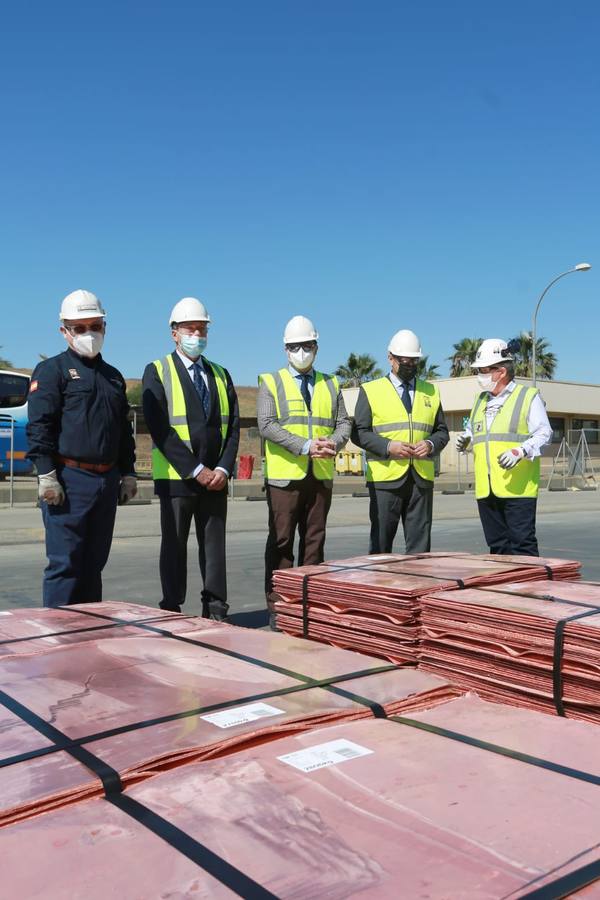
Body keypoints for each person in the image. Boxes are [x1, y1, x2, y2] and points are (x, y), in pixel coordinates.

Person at [26, 289, 137, 608]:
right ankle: (59, 642)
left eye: (95, 325)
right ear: (64, 331)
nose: (89, 333)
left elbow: (122, 434)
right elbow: (40, 426)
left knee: (93, 567)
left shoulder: (113, 378)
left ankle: (88, 639)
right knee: (65, 567)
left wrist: (128, 473)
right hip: (69, 482)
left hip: (105, 483)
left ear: (105, 326)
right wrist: (46, 474)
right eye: (80, 327)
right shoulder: (52, 372)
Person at [142, 297, 239, 619]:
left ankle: (215, 610)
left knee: (214, 550)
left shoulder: (221, 374)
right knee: (174, 547)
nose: (196, 334)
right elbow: (160, 430)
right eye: (190, 328)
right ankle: (171, 609)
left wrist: (223, 468)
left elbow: (233, 427)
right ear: (174, 333)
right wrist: (196, 469)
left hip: (215, 479)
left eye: (202, 328)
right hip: (177, 479)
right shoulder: (157, 371)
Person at [258, 315, 351, 628]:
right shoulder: (270, 382)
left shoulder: (332, 383)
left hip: (321, 473)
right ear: (285, 349)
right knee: (281, 543)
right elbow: (267, 425)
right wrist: (305, 445)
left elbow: (343, 423)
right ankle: (280, 606)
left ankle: (310, 605)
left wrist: (334, 443)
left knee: (314, 543)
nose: (301, 352)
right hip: (285, 478)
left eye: (307, 346)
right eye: (295, 347)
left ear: (316, 347)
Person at [352, 329, 449, 554]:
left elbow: (442, 431)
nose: (408, 364)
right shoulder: (371, 390)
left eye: (413, 361)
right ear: (390, 358)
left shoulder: (431, 391)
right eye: (403, 360)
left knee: (420, 548)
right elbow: (359, 433)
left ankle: (418, 587)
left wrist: (431, 445)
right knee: (381, 545)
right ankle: (379, 588)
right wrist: (388, 447)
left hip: (421, 480)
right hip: (385, 480)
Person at [455, 338, 552, 556]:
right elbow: (478, 434)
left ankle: (528, 590)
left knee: (522, 545)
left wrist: (520, 451)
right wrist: (467, 441)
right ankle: (502, 590)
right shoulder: (480, 400)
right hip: (486, 488)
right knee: (497, 547)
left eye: (483, 370)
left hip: (517, 488)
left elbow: (544, 434)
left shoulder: (527, 396)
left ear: (501, 371)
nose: (479, 375)